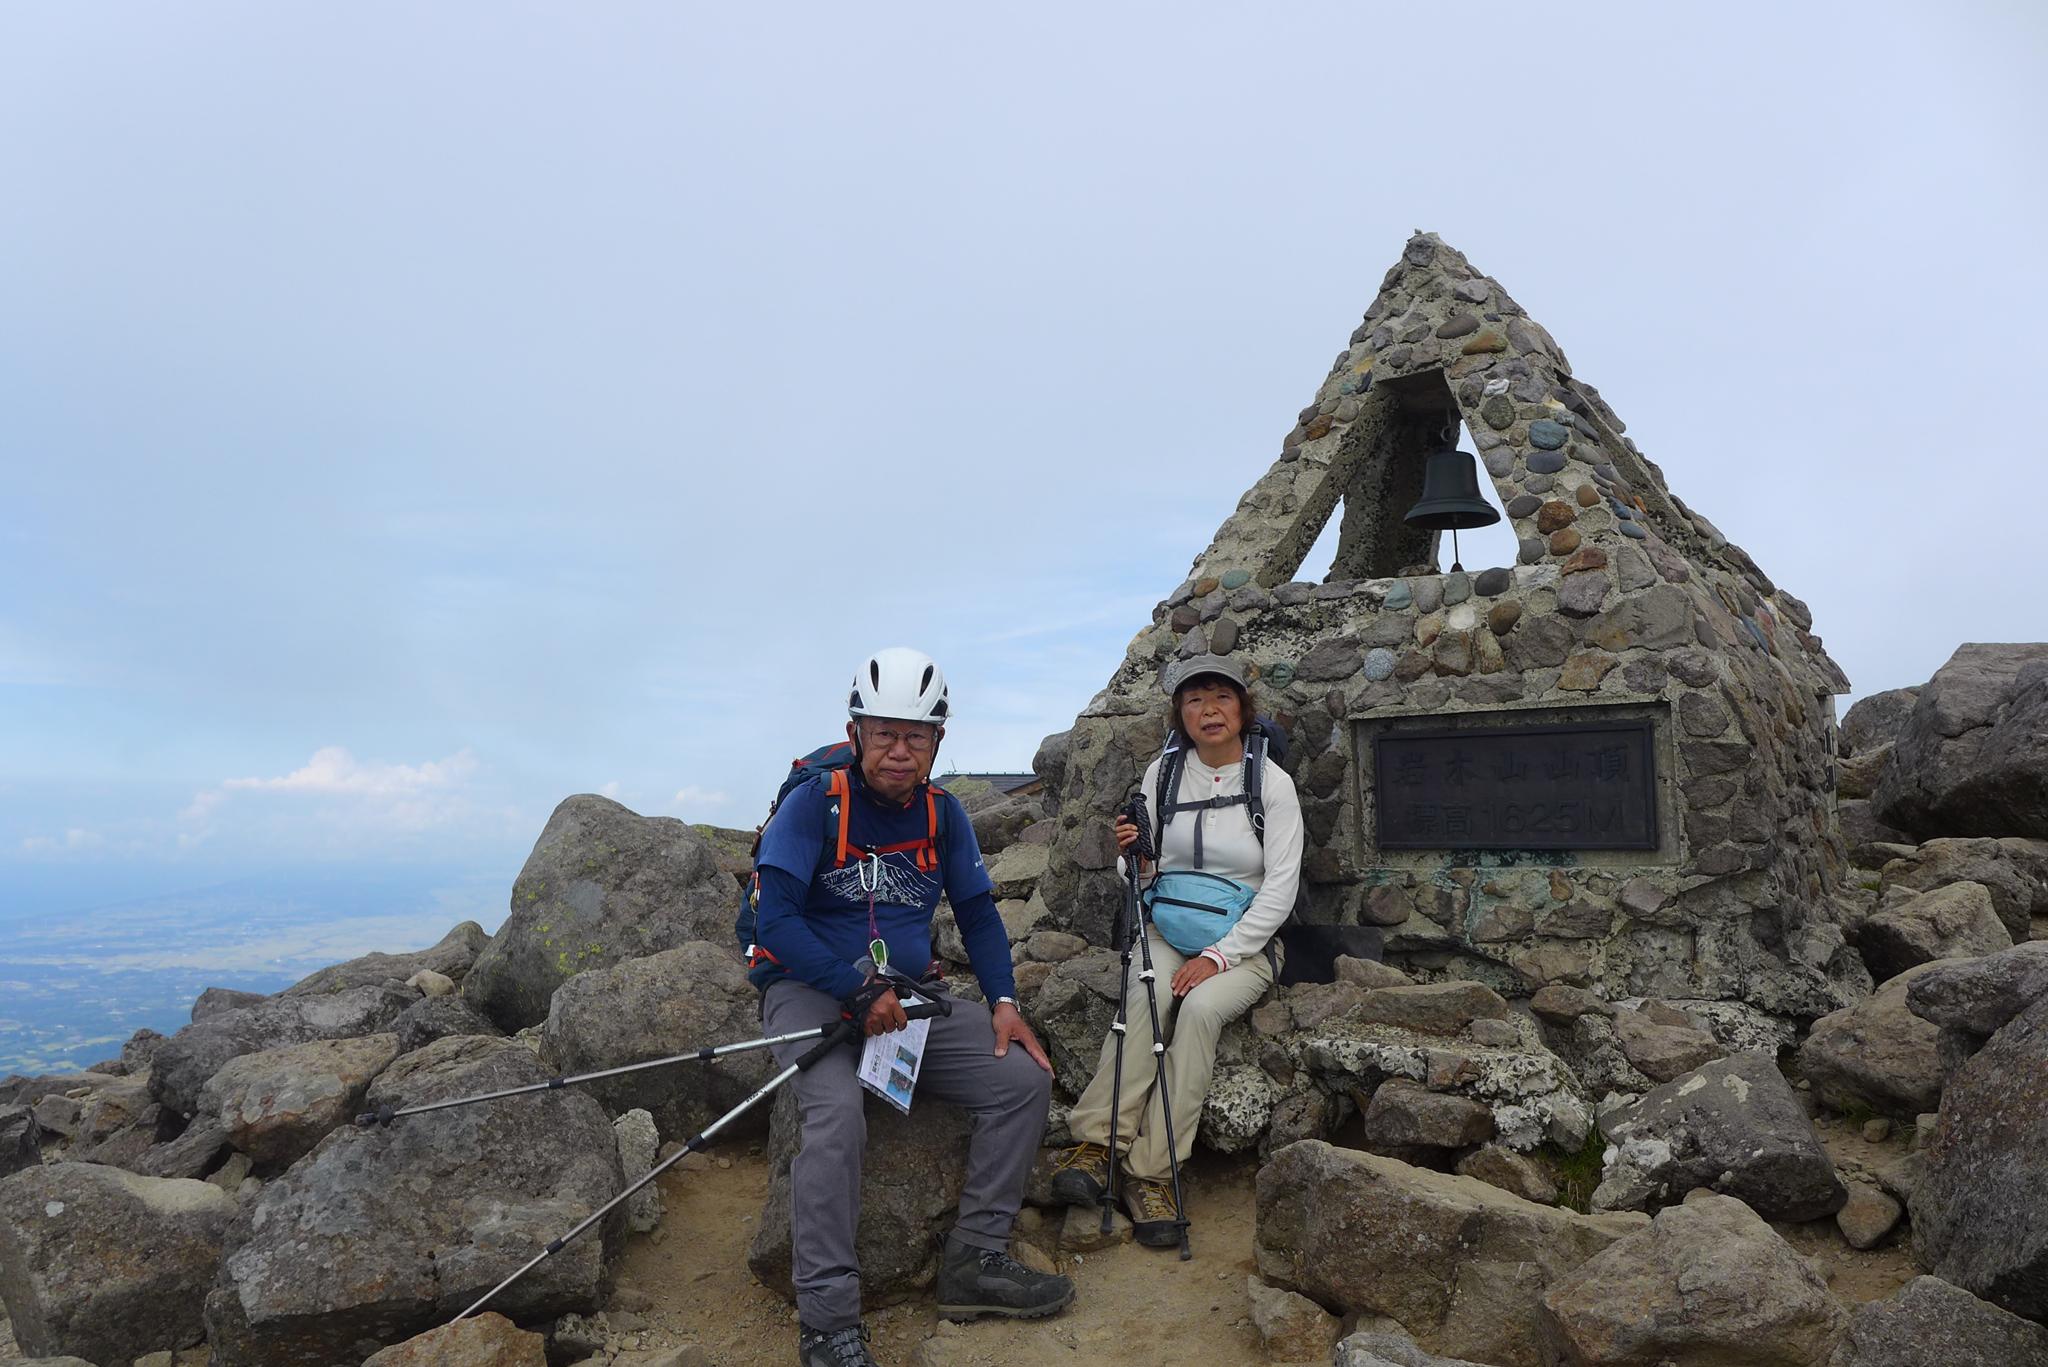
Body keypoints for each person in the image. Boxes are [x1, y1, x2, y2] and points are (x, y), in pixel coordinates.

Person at [753, 647, 1074, 1367]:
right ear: (856, 733)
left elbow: (979, 916)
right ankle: (828, 1322)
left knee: (1020, 1078)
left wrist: (1003, 1001)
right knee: (836, 1117)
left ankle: (975, 1259)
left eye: (916, 736)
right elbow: (775, 922)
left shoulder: (943, 814)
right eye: (885, 734)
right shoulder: (816, 804)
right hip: (807, 990)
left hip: (904, 998)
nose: (900, 751)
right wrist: (856, 988)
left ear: (937, 740)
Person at [1047, 654, 1303, 1246]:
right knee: (1146, 996)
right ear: (1179, 714)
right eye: (1195, 700)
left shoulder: (1272, 784)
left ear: (1243, 709)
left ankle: (1154, 1170)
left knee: (1201, 1011)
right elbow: (1141, 872)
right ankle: (1098, 1144)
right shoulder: (1162, 774)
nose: (1209, 710)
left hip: (1245, 943)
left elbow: (1281, 885)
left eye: (1221, 697)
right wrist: (1132, 856)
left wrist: (1219, 957)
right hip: (1165, 930)